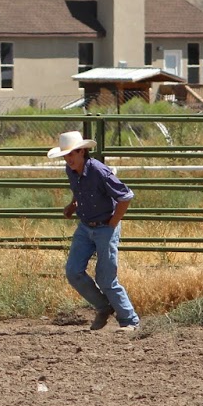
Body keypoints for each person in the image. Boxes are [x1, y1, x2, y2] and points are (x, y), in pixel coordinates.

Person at [49, 129, 141, 333]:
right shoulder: (71, 171)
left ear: (82, 152)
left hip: (104, 227)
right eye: (65, 155)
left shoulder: (99, 171)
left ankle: (130, 321)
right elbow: (78, 191)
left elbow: (125, 196)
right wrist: (73, 205)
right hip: (86, 226)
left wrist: (113, 222)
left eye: (71, 154)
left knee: (106, 278)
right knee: (73, 272)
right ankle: (104, 307)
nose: (68, 159)